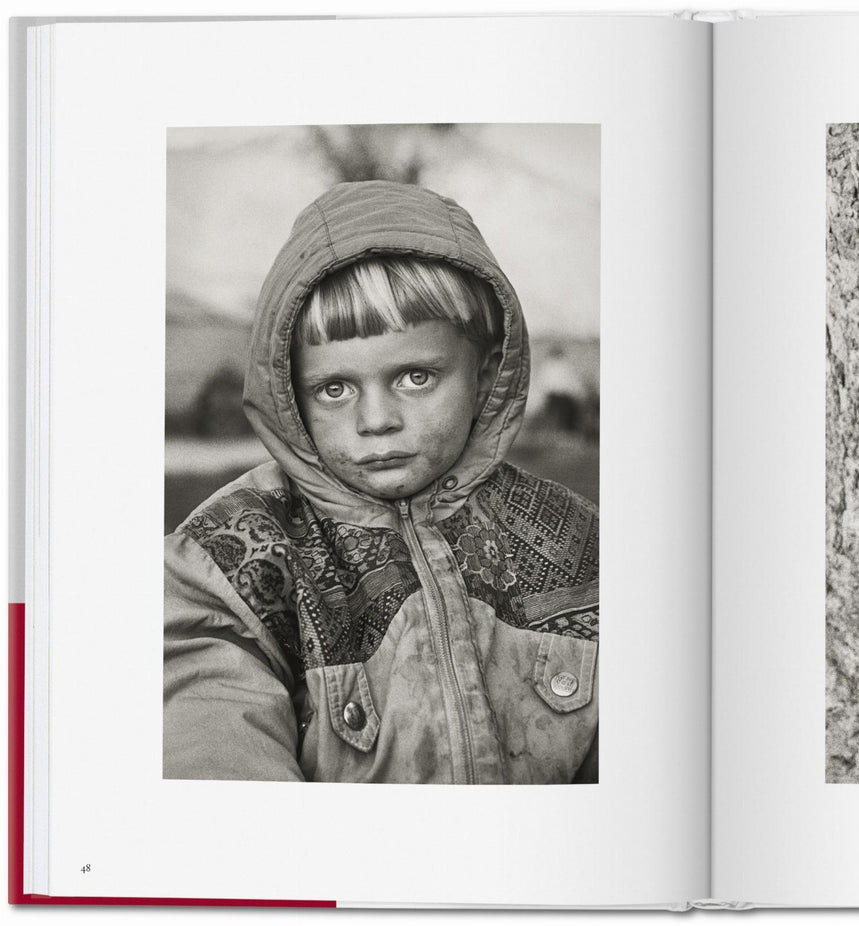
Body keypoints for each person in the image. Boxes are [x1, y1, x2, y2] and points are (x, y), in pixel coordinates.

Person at [164, 180, 599, 784]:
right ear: (289, 393)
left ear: (485, 374)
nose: (376, 421)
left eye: (416, 376)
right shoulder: (228, 557)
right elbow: (212, 747)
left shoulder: (582, 540)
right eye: (334, 389)